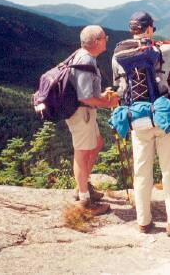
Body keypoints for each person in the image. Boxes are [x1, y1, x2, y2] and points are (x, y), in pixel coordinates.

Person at [112, 11, 170, 236]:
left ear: (131, 29)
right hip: (164, 115)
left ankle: (143, 221)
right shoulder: (161, 50)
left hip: (137, 118)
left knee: (142, 171)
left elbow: (119, 87)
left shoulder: (118, 55)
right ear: (148, 29)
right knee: (169, 169)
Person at [67, 25, 119, 215]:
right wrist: (108, 103)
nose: (107, 39)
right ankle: (84, 201)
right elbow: (85, 97)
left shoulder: (83, 56)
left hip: (85, 112)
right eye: (105, 37)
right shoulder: (86, 59)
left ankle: (83, 186)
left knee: (96, 143)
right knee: (81, 152)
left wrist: (102, 95)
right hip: (82, 112)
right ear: (97, 41)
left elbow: (88, 91)